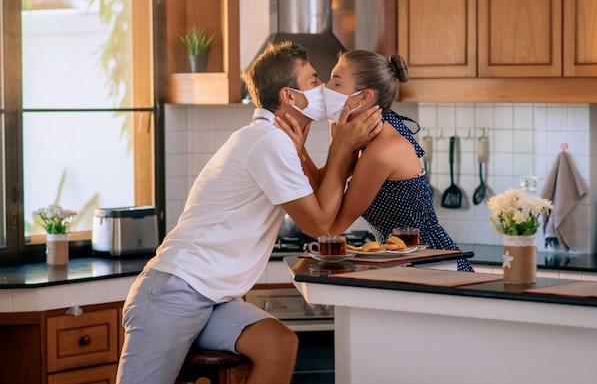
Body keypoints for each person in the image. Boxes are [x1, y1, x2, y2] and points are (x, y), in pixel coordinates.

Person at [115, 41, 383, 384]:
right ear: (288, 96)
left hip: (213, 298)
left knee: (277, 343)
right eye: (313, 81)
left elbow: (321, 201)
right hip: (175, 291)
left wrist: (326, 150)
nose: (322, 89)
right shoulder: (267, 141)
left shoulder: (277, 140)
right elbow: (320, 224)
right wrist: (341, 146)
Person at [280, 50, 473, 271]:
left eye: (336, 83)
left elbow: (331, 227)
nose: (325, 87)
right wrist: (301, 150)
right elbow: (324, 188)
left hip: (432, 264)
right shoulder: (365, 134)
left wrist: (329, 148)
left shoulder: (382, 150)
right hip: (404, 263)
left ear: (364, 97)